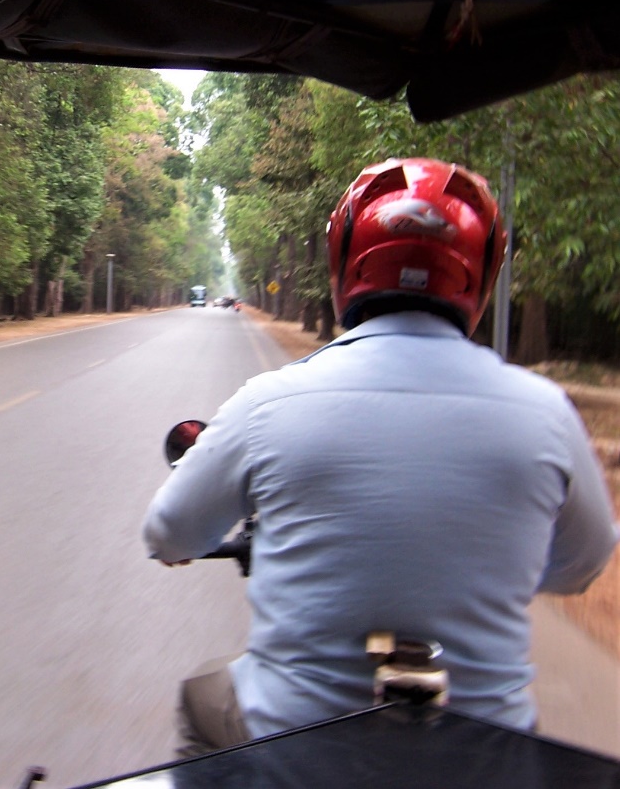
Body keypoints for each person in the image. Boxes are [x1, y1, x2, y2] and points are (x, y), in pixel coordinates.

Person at [143, 157, 618, 754]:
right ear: (483, 272)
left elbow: (167, 534)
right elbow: (586, 561)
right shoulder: (548, 411)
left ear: (345, 261)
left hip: (291, 744)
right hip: (487, 750)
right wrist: (499, 566)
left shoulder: (270, 401)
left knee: (203, 693)